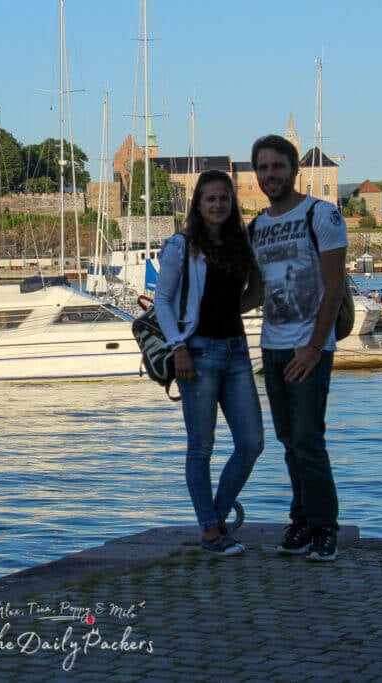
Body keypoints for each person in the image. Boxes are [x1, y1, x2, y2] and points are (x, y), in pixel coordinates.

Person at [154, 169, 265, 557]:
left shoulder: (240, 243)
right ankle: (211, 531)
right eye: (210, 198)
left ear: (232, 203)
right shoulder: (180, 245)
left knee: (251, 443)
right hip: (197, 353)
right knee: (201, 446)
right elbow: (163, 301)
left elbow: (256, 290)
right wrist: (178, 347)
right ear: (198, 204)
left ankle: (214, 518)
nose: (218, 204)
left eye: (224, 198)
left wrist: (234, 308)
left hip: (236, 352)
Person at [247, 134, 346, 562]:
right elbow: (255, 291)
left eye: (277, 167)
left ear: (293, 169)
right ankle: (302, 519)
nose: (271, 175)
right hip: (273, 346)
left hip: (309, 347)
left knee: (309, 439)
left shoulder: (321, 215)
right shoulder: (257, 227)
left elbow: (335, 285)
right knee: (289, 440)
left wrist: (313, 346)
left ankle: (325, 527)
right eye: (263, 168)